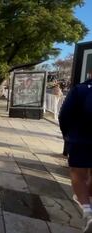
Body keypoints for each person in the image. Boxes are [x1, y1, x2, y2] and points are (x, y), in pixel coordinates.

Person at [59, 69, 92, 232]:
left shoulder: (79, 90)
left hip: (81, 140)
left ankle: (87, 211)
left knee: (78, 175)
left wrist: (67, 135)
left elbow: (64, 115)